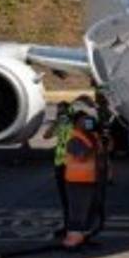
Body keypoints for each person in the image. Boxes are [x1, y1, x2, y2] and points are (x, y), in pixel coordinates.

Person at [61, 109, 104, 249]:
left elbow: (105, 151)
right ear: (76, 123)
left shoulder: (92, 136)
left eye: (88, 120)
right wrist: (95, 145)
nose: (87, 123)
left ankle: (84, 238)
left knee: (90, 211)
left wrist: (104, 139)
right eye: (84, 121)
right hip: (77, 182)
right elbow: (82, 156)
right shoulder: (74, 139)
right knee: (78, 212)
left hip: (92, 180)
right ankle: (71, 242)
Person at [42, 101, 75, 237]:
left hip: (71, 166)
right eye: (57, 111)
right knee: (66, 200)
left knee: (72, 199)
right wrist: (55, 122)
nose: (59, 113)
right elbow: (46, 136)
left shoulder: (74, 124)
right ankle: (68, 226)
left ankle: (73, 226)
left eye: (61, 110)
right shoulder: (61, 123)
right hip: (60, 165)